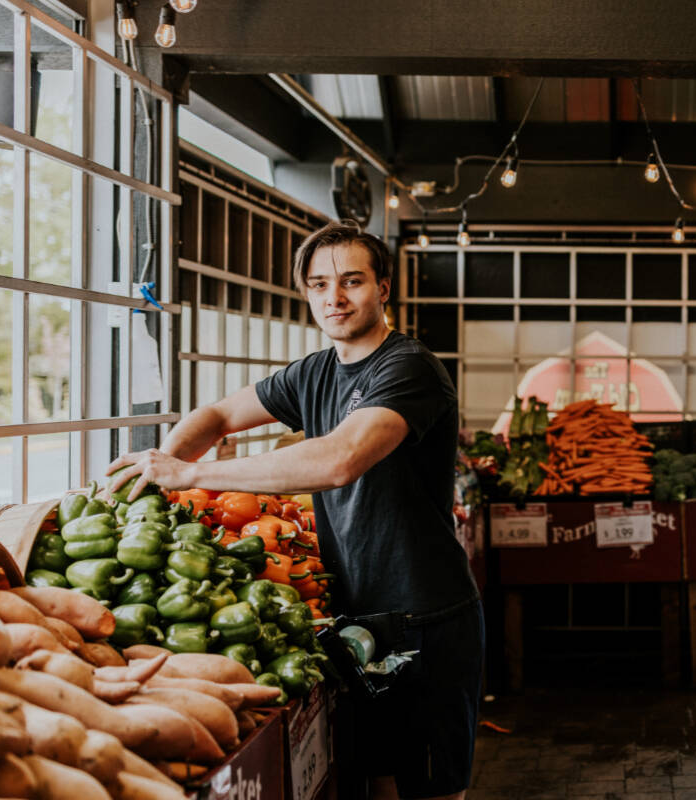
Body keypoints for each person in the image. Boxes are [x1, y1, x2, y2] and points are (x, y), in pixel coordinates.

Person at [107, 220, 482, 800]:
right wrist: (161, 464)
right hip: (356, 615)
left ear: (383, 288)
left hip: (423, 617)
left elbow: (339, 460)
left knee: (431, 791)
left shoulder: (408, 367)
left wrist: (192, 475)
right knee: (378, 781)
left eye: (352, 281)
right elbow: (218, 416)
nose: (334, 298)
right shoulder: (314, 373)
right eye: (319, 285)